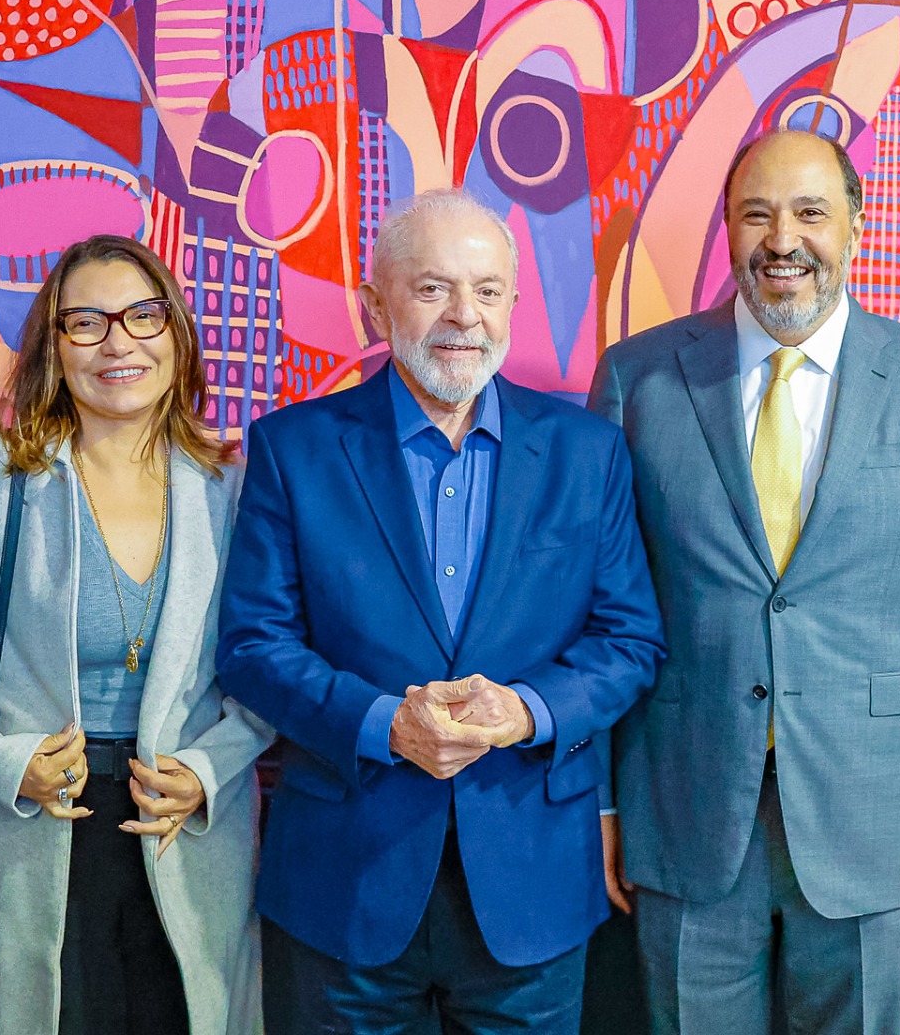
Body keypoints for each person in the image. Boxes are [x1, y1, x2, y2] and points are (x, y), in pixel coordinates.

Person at [588, 128, 900, 1035]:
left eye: (810, 212)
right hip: (682, 810)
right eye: (757, 214)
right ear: (728, 229)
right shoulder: (638, 379)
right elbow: (598, 609)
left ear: (857, 227)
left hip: (881, 821)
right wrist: (604, 799)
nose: (782, 239)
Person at [217, 187, 665, 1035]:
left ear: (514, 304)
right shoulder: (293, 448)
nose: (465, 315)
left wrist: (526, 710)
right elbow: (253, 645)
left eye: (487, 290)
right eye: (432, 288)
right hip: (344, 884)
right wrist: (384, 724)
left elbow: (629, 640)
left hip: (533, 885)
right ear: (375, 306)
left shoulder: (587, 451)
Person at [0, 234, 274, 1035]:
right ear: (54, 346)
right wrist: (3, 763)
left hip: (187, 830)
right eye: (87, 322)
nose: (119, 343)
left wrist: (209, 772)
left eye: (143, 316)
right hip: (36, 825)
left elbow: (273, 659)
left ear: (178, 333)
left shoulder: (231, 486)